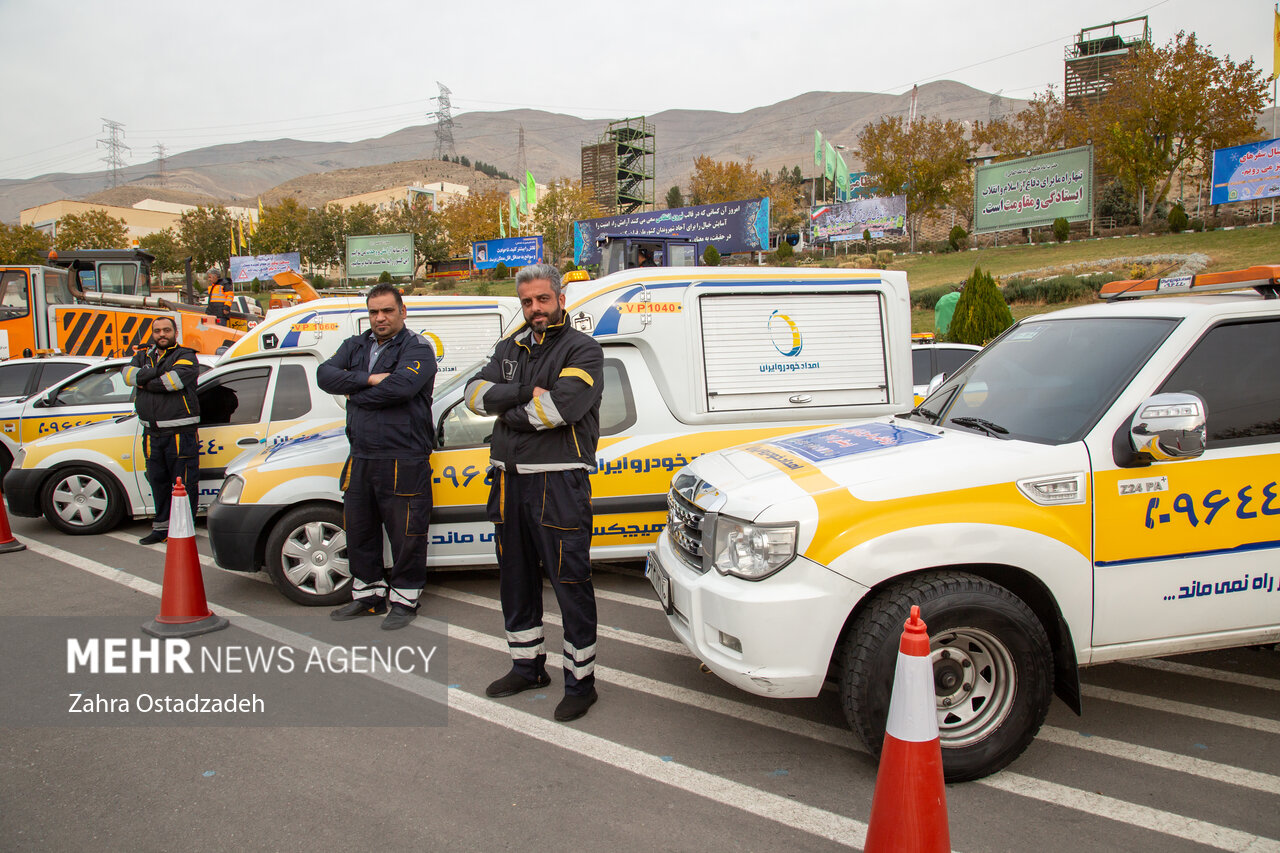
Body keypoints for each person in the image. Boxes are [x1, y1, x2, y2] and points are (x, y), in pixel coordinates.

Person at [465, 263, 604, 722]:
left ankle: (581, 683)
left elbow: (558, 410)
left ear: (560, 298)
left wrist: (505, 407)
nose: (535, 309)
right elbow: (473, 395)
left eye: (542, 299)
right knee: (515, 580)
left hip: (557, 482)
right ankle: (527, 667)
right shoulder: (511, 347)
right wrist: (522, 391)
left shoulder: (583, 349)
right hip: (508, 480)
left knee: (570, 582)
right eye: (527, 302)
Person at [318, 284, 437, 631]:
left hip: (404, 457)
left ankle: (404, 599)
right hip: (361, 456)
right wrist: (368, 378)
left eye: (387, 311)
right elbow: (325, 374)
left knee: (406, 534)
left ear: (403, 311)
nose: (380, 318)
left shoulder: (418, 348)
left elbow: (400, 388)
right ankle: (368, 595)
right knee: (360, 529)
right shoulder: (355, 345)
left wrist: (354, 393)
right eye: (374, 312)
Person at [122, 316, 201, 545]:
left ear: (175, 332)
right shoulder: (142, 355)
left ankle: (184, 530)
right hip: (152, 434)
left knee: (183, 483)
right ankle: (160, 529)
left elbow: (172, 383)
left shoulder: (186, 355)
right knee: (158, 481)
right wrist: (156, 374)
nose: (162, 334)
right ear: (153, 333)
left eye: (166, 330)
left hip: (180, 434)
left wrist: (144, 379)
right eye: (157, 331)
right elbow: (127, 375)